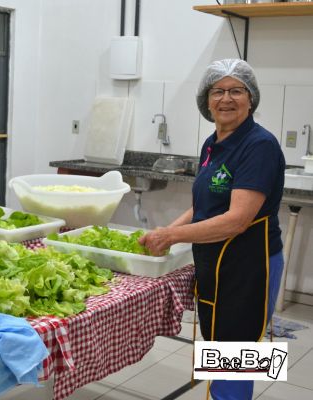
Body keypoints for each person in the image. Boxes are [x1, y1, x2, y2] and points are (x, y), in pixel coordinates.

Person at [139, 59, 285, 400]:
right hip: (217, 261)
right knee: (220, 348)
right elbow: (203, 205)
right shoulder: (213, 143)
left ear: (252, 99)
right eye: (218, 91)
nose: (226, 99)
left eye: (236, 90)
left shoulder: (259, 145)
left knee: (236, 354)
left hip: (251, 265)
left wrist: (171, 237)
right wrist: (166, 231)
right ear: (206, 101)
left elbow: (237, 220)